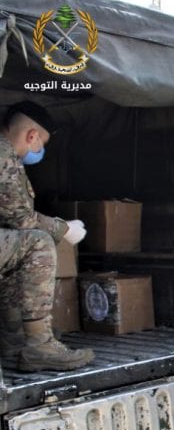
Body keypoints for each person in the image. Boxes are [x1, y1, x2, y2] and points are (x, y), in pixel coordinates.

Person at [0, 101, 93, 371]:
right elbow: (21, 219)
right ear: (32, 137)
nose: (39, 151)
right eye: (42, 144)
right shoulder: (3, 156)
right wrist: (64, 229)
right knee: (36, 243)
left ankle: (12, 337)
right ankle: (39, 345)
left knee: (15, 247)